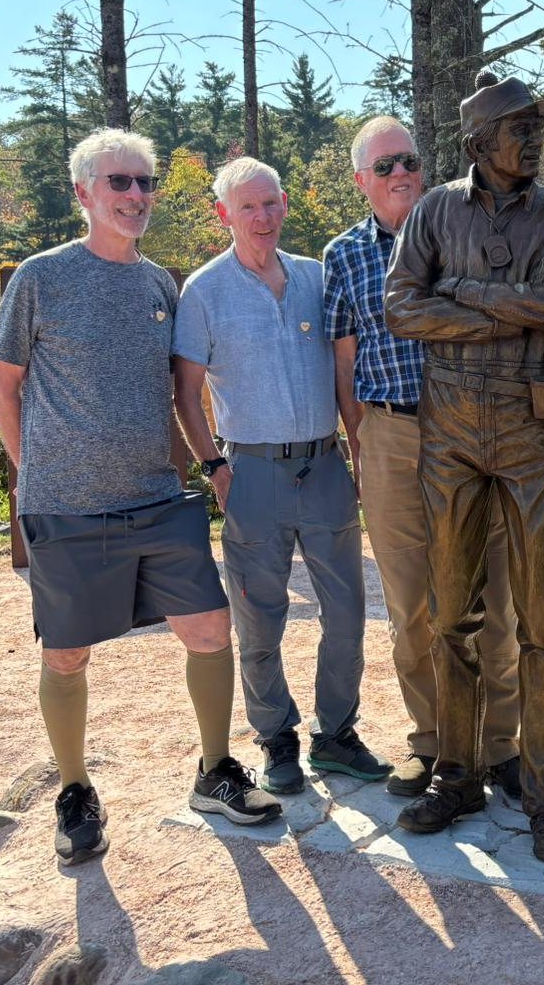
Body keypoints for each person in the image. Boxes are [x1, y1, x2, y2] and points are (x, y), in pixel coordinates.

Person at [0, 130, 280, 866]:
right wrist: (34, 480)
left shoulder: (159, 285)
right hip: (68, 510)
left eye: (145, 183)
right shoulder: (40, 277)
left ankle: (214, 771)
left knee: (211, 630)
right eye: (120, 182)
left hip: (158, 498)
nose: (136, 196)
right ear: (84, 192)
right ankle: (75, 790)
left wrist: (208, 462)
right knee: (66, 656)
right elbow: (2, 384)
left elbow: (184, 386)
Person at [384, 70, 544, 866]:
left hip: (527, 431)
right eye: (521, 129)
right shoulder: (436, 209)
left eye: (539, 128)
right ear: (479, 144)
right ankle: (457, 772)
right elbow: (402, 307)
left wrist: (469, 293)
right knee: (451, 616)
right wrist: (512, 307)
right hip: (448, 435)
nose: (535, 140)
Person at [173, 157, 390, 797]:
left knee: (347, 611)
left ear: (285, 205)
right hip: (252, 472)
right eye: (247, 207)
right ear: (225, 214)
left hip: (324, 465)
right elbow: (185, 392)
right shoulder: (205, 292)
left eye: (270, 204)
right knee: (259, 619)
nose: (261, 218)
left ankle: (337, 736)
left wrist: (355, 452)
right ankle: (277, 738)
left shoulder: (317, 279)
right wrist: (214, 465)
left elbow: (348, 371)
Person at [323, 117, 522, 801]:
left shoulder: (470, 233)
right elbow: (342, 363)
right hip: (391, 439)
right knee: (412, 607)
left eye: (407, 160)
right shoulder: (343, 256)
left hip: (475, 433)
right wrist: (365, 440)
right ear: (360, 181)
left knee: (491, 601)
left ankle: (500, 747)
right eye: (382, 167)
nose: (399, 173)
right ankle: (433, 743)